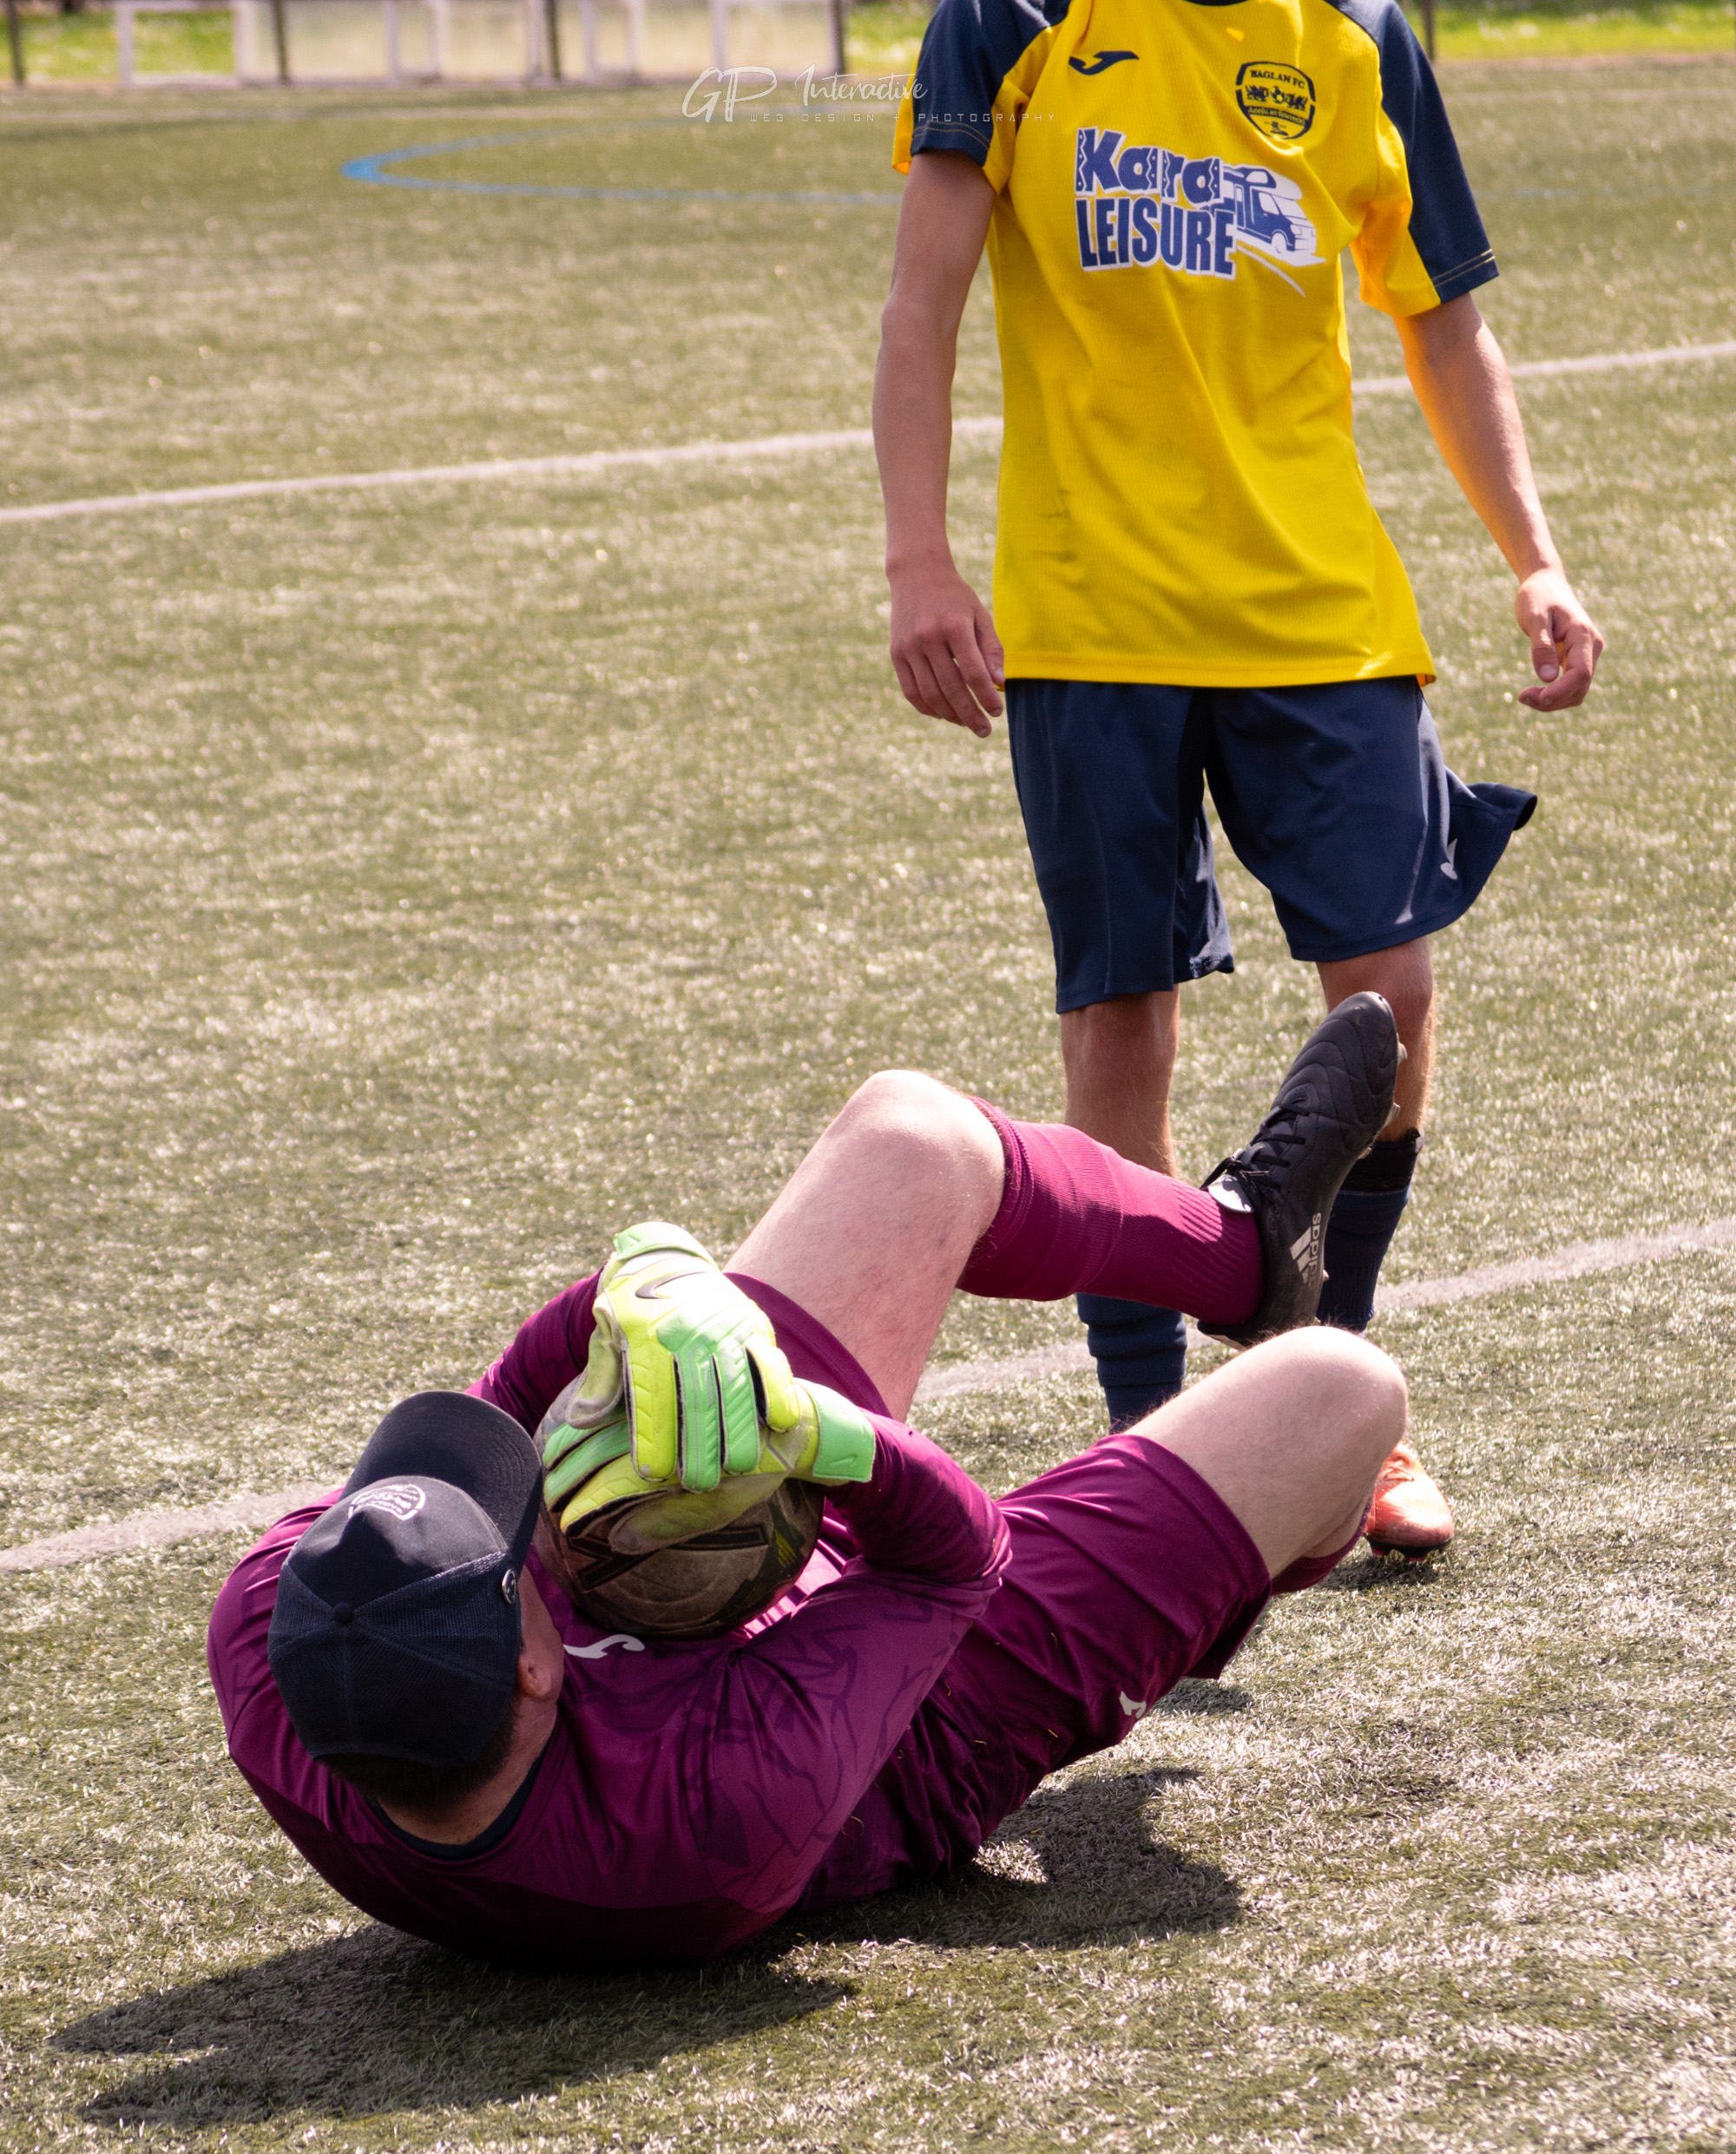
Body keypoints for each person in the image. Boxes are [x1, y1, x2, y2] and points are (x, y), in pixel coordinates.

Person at [210, 995, 1405, 1971]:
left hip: (696, 1628)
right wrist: (832, 1441)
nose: (521, 1503)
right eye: (511, 1543)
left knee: (910, 1131)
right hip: (914, 1713)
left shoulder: (282, 1619)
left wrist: (643, 1292)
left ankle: (1243, 1251)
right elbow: (957, 1559)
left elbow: (487, 1418)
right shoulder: (716, 1812)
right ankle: (1245, 1573)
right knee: (1344, 1393)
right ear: (534, 1666)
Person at [873, 0, 1603, 1553]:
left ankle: (1329, 1405)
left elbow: (1441, 315)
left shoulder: (1360, 36)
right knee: (1122, 1021)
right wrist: (920, 563)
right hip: (1092, 620)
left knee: (1391, 994)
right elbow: (922, 299)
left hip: (1320, 616)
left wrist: (1533, 557)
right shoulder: (1008, 24)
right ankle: (1156, 1454)